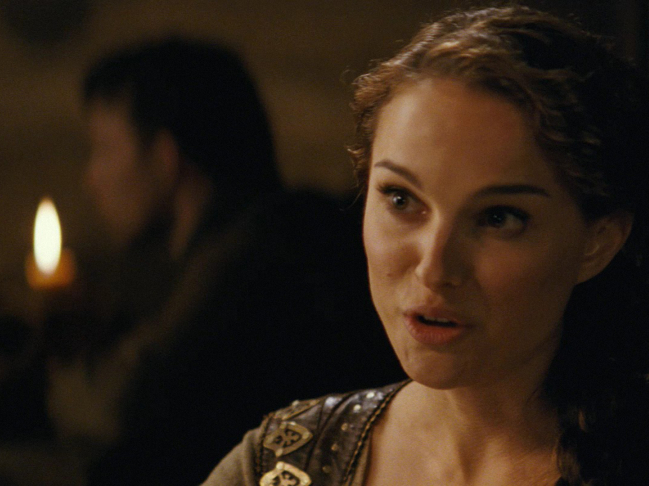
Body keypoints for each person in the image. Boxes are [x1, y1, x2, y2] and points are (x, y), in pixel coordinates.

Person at [202, 6, 649, 486]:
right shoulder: (282, 464)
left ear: (597, 242)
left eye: (499, 218)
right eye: (401, 199)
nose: (434, 267)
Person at [45, 37, 402, 485]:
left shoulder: (257, 250)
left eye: (104, 148)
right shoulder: (219, 248)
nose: (92, 177)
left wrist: (48, 377)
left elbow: (118, 405)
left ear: (166, 156)